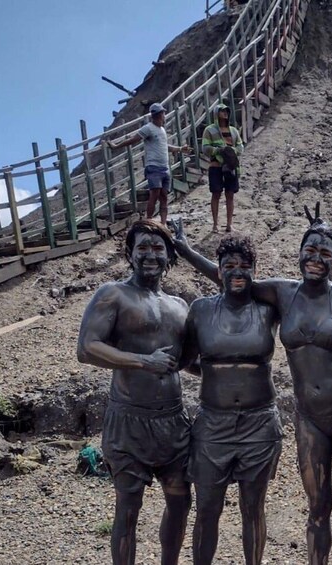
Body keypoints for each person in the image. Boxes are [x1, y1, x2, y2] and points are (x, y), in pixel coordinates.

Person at [172, 204, 332, 565]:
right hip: (308, 417)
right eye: (310, 250)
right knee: (318, 504)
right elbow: (231, 276)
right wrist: (186, 251)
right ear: (300, 252)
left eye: (326, 253)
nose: (316, 259)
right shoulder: (281, 293)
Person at [77, 219, 191, 565]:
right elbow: (87, 347)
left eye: (158, 248)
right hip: (128, 419)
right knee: (128, 507)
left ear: (170, 256)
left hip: (173, 421)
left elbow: (188, 361)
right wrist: (144, 361)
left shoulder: (179, 304)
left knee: (180, 501)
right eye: (142, 247)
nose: (150, 255)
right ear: (130, 253)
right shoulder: (113, 294)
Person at [182, 234, 282, 565]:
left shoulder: (269, 309)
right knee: (207, 508)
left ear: (255, 269)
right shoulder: (201, 310)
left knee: (253, 508)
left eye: (245, 266)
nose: (237, 272)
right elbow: (184, 360)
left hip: (260, 423)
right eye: (229, 266)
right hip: (212, 424)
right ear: (219, 270)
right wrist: (217, 376)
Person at [107, 103, 190, 225]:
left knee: (164, 196)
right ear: (159, 115)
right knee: (155, 193)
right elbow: (134, 139)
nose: (164, 116)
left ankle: (163, 223)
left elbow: (164, 146)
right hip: (154, 166)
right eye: (163, 113)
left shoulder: (161, 130)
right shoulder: (148, 128)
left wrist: (179, 149)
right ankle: (149, 219)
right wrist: (117, 146)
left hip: (164, 167)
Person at [202, 103, 244, 233]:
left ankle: (229, 224)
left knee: (230, 194)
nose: (225, 113)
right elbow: (205, 148)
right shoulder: (209, 130)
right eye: (222, 111)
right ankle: (215, 225)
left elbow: (240, 146)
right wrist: (219, 150)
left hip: (230, 166)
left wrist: (232, 151)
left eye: (226, 111)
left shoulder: (233, 131)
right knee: (216, 193)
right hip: (216, 166)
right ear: (216, 113)